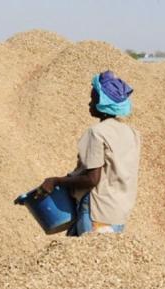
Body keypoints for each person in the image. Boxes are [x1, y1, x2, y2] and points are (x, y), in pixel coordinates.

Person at [40, 71, 141, 236]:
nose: (89, 103)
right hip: (119, 213)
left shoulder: (96, 133)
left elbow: (92, 179)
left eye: (93, 99)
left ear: (103, 103)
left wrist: (56, 181)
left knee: (87, 258)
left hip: (97, 212)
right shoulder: (132, 133)